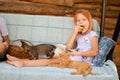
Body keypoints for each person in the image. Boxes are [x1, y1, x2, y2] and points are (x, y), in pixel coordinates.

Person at [6, 9, 99, 67]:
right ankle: (20, 60)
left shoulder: (92, 34)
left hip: (82, 60)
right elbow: (69, 48)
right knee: (47, 57)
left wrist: (78, 54)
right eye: (78, 21)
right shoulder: (78, 35)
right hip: (74, 56)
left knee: (49, 61)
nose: (81, 22)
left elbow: (95, 52)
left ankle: (23, 64)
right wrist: (74, 33)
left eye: (84, 20)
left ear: (89, 21)